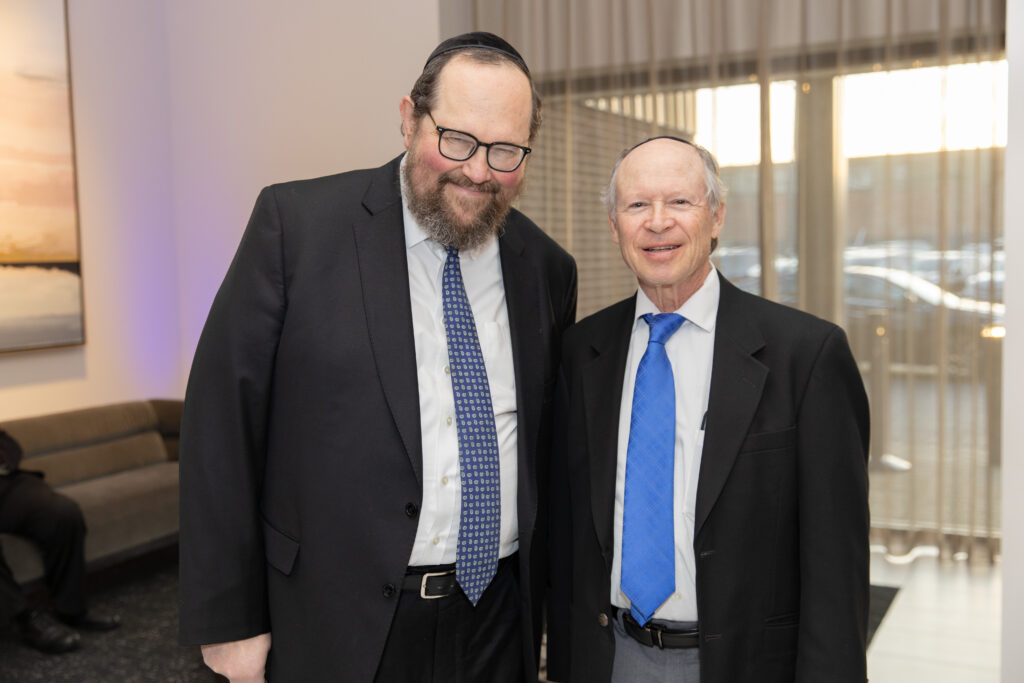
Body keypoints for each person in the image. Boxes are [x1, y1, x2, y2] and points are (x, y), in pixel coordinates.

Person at [178, 32, 577, 683]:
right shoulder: (296, 228)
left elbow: (545, 449)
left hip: (497, 619)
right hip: (340, 619)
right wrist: (228, 618)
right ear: (408, 119)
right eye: (458, 139)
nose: (479, 170)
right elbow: (221, 424)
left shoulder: (547, 269)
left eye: (505, 150)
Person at [547, 136, 869, 683]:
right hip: (612, 657)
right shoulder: (581, 353)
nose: (658, 222)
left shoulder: (806, 355)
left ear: (716, 216)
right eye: (637, 204)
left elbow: (836, 566)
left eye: (679, 201)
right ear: (614, 226)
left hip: (748, 665)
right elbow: (567, 534)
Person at [0, 429, 121, 655]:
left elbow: (9, 444)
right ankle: (25, 618)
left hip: (6, 483)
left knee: (61, 513)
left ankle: (71, 609)